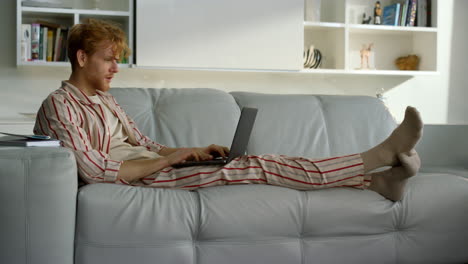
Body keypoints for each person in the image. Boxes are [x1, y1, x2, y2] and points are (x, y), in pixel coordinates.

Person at [34, 19, 423, 202]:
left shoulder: (107, 100)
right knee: (260, 165)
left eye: (117, 60)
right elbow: (98, 171)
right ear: (82, 57)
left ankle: (377, 184)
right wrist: (169, 162)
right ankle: (378, 156)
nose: (116, 68)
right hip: (141, 182)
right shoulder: (60, 105)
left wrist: (191, 152)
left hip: (156, 169)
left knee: (256, 161)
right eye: (108, 60)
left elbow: (149, 145)